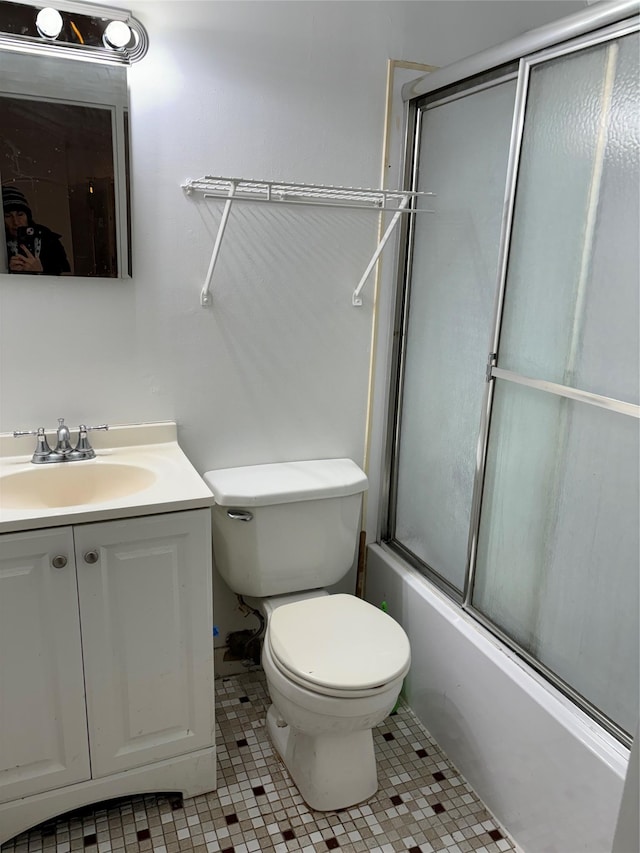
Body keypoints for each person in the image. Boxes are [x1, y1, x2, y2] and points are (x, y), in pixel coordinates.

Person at [3, 185, 71, 275]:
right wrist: (8, 273)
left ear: (28, 216)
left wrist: (39, 271)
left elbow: (65, 278)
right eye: (8, 216)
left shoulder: (48, 240)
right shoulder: (2, 245)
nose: (15, 222)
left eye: (20, 214)